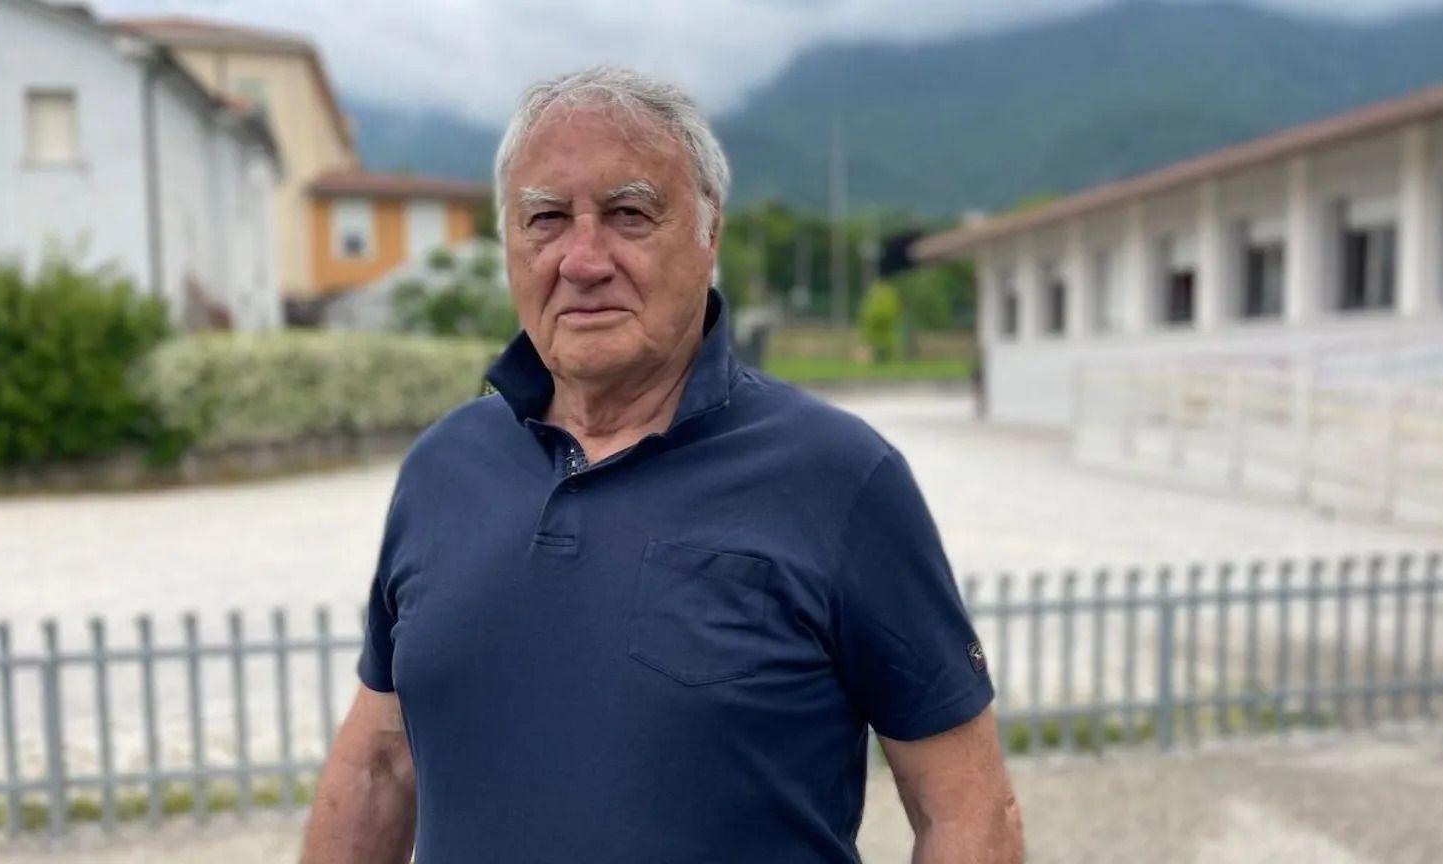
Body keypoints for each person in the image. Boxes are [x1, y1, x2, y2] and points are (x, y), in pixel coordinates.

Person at [299, 65, 1022, 864]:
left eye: (629, 214)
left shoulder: (842, 480)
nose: (582, 259)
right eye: (546, 218)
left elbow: (968, 813)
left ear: (710, 235)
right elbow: (378, 765)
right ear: (509, 243)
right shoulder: (443, 470)